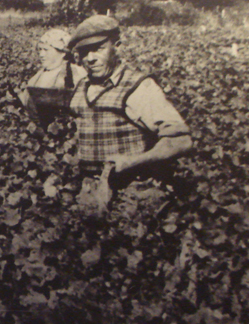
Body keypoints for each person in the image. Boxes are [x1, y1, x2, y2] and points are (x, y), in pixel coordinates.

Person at [68, 15, 193, 212]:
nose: (90, 59)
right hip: (90, 190)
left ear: (117, 46)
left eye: (98, 49)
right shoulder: (81, 86)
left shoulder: (138, 87)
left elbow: (181, 140)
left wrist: (135, 161)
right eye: (84, 52)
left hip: (134, 193)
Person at [18, 28, 87, 125]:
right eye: (40, 50)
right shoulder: (38, 75)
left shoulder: (76, 73)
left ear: (62, 52)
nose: (41, 55)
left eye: (46, 50)